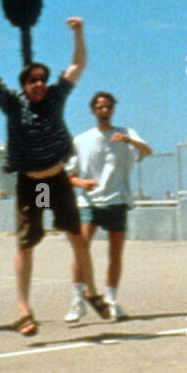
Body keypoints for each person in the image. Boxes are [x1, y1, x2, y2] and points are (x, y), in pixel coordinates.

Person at [0, 17, 107, 337]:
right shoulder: (13, 104)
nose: (39, 84)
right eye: (32, 80)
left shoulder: (56, 97)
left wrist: (79, 33)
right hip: (34, 185)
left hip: (56, 180)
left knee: (76, 236)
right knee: (28, 244)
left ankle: (92, 292)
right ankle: (23, 310)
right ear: (24, 84)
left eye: (42, 79)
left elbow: (78, 64)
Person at [65, 90, 152, 322]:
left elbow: (147, 151)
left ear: (113, 110)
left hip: (117, 201)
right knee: (81, 249)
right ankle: (78, 301)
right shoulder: (81, 140)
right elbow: (68, 175)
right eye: (100, 107)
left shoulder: (126, 133)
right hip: (89, 203)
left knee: (115, 254)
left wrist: (129, 140)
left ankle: (111, 301)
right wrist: (82, 182)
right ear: (93, 111)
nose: (104, 111)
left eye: (108, 107)